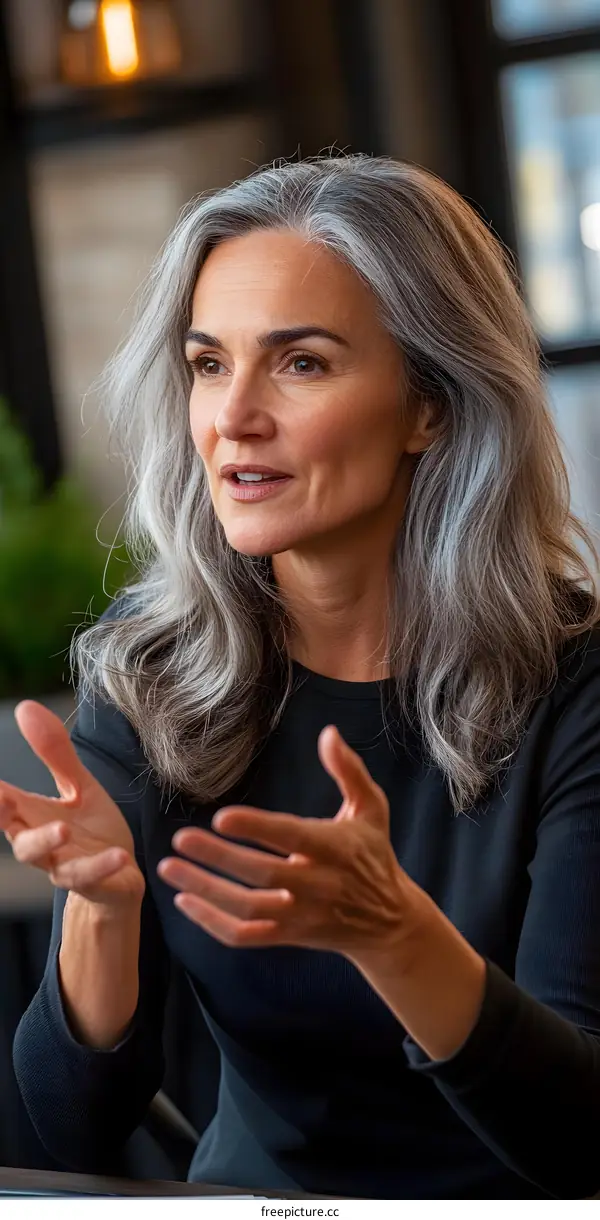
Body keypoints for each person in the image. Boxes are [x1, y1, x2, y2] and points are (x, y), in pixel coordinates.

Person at [3, 154, 600, 1201]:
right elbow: (71, 1136)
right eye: (206, 362)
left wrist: (391, 929)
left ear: (433, 407)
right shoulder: (155, 682)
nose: (232, 417)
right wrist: (101, 908)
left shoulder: (576, 688)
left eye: (302, 363)